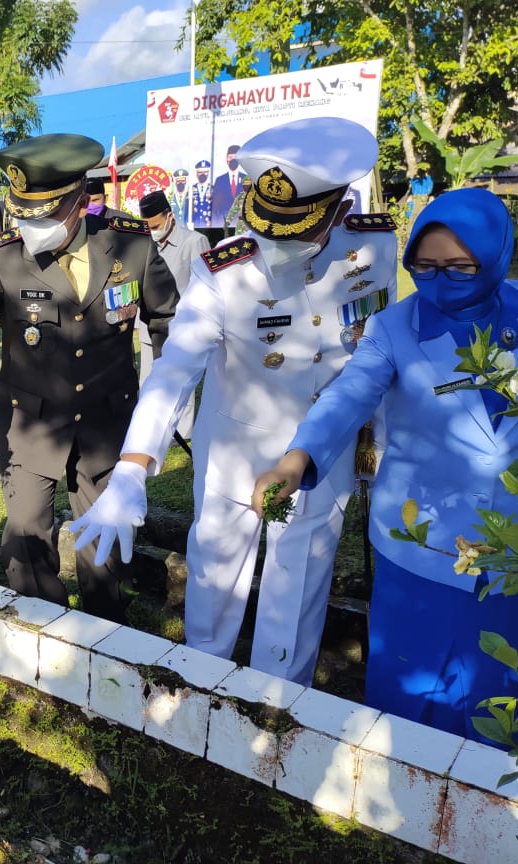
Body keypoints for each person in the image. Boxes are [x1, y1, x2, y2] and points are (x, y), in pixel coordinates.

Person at [72, 117, 398, 683]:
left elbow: (376, 349)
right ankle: (201, 697)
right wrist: (133, 465)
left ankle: (278, 715)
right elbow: (174, 370)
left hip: (324, 459)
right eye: (267, 225)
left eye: (293, 229)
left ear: (336, 207)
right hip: (235, 455)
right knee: (215, 593)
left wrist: (382, 446)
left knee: (296, 598)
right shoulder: (226, 268)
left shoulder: (372, 246)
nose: (275, 242)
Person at [252, 188, 518, 739]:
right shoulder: (393, 328)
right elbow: (346, 397)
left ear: (496, 256)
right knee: (412, 694)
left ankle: (484, 810)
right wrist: (295, 462)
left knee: (497, 694)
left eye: (460, 267)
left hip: (517, 547)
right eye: (425, 267)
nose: (440, 280)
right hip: (421, 545)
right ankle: (404, 804)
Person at [0, 133, 178, 622]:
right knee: (24, 537)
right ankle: (46, 634)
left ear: (79, 203)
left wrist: (165, 400)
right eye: (21, 213)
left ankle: (104, 638)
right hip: (30, 422)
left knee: (103, 544)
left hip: (107, 422)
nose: (28, 226)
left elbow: (169, 320)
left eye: (42, 215)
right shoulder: (2, 255)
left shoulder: (131, 244)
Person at [137, 190, 208, 437]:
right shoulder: (143, 243)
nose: (151, 231)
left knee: (180, 382)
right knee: (147, 381)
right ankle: (150, 430)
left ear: (169, 216)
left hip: (181, 325)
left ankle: (182, 433)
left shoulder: (194, 242)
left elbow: (205, 285)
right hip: (148, 326)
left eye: (155, 225)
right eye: (146, 226)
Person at [210, 144, 247, 227]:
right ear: (226, 159)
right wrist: (216, 226)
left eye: (235, 158)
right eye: (230, 157)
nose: (232, 160)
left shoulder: (246, 179)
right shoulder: (220, 181)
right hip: (224, 225)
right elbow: (215, 208)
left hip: (242, 226)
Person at [191, 160, 213, 228]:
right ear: (197, 174)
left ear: (208, 173)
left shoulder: (213, 189)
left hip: (208, 225)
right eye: (200, 172)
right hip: (195, 224)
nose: (203, 174)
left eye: (205, 172)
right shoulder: (191, 190)